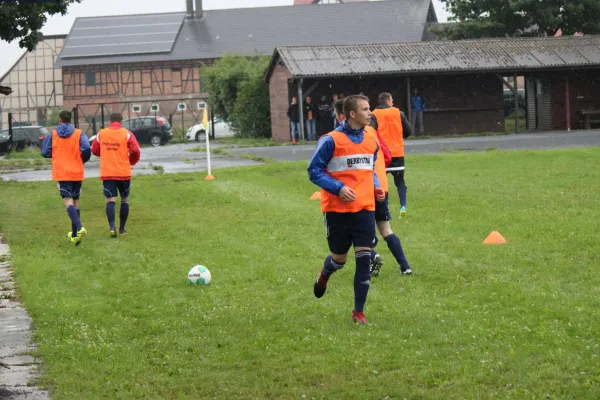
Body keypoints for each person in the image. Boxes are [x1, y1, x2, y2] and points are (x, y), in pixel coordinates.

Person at [308, 95, 386, 325]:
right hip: (336, 211)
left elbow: (368, 169)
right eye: (365, 109)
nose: (370, 112)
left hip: (364, 209)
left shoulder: (371, 139)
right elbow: (314, 171)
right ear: (352, 114)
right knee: (339, 259)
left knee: (364, 260)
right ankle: (324, 275)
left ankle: (358, 313)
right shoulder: (330, 140)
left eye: (369, 107)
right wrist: (338, 188)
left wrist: (376, 187)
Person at [368, 119, 413, 276]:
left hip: (366, 189)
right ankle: (405, 266)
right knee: (386, 229)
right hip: (382, 188)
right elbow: (387, 156)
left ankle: (373, 258)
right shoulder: (378, 137)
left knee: (357, 231)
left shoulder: (360, 137)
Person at [41, 110, 91, 246]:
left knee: (67, 202)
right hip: (76, 171)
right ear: (70, 120)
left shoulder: (53, 134)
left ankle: (80, 228)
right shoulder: (79, 134)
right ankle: (75, 236)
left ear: (60, 119)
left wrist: (54, 153)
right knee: (76, 202)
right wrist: (81, 159)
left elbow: (45, 152)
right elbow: (86, 148)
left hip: (62, 172)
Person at [91, 113, 141, 237]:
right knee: (124, 199)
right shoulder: (127, 133)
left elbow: (94, 149)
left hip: (108, 173)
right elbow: (136, 150)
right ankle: (122, 229)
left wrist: (105, 154)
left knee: (110, 200)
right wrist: (131, 161)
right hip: (123, 172)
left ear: (110, 121)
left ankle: (112, 227)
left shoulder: (102, 133)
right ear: (121, 121)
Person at [371, 92, 412, 217]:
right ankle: (403, 207)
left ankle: (385, 209)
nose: (393, 103)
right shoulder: (398, 113)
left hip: (383, 155)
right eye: (392, 101)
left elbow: (371, 132)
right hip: (397, 153)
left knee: (382, 183)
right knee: (400, 182)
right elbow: (408, 131)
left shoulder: (374, 114)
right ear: (388, 101)